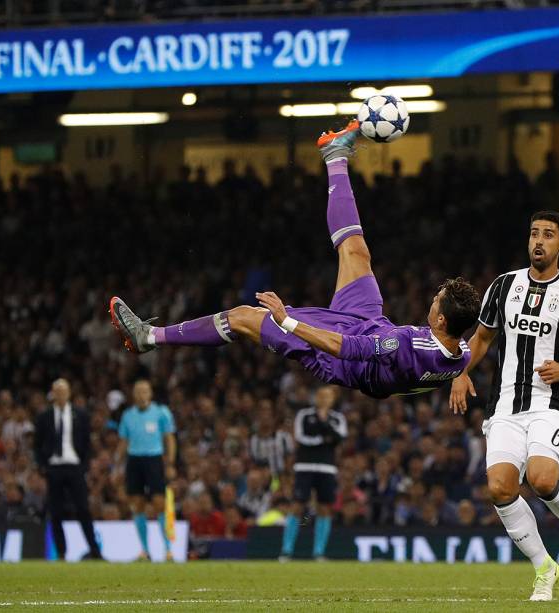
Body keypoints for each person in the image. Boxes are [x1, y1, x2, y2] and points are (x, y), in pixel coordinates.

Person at [109, 120, 481, 399]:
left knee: (242, 317)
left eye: (435, 302)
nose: (430, 302)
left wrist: (288, 322)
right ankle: (335, 155)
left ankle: (148, 337)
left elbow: (342, 348)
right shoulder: (459, 356)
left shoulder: (405, 344)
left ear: (442, 319)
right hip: (369, 323)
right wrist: (456, 377)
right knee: (356, 251)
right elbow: (419, 376)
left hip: (338, 356)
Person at [450, 210, 559, 601]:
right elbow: (483, 338)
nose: (539, 241)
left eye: (548, 235)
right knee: (500, 488)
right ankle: (544, 568)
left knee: (541, 479)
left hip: (550, 404)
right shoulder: (504, 285)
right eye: (534, 234)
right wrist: (460, 371)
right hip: (504, 405)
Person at [33, 378, 102, 561]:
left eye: (64, 391)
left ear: (69, 393)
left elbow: (87, 444)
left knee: (83, 509)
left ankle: (94, 550)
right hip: (54, 467)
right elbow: (37, 445)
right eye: (58, 391)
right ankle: (62, 552)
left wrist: (84, 466)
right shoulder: (44, 416)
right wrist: (42, 466)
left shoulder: (81, 415)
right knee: (56, 511)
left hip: (75, 467)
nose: (61, 394)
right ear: (53, 393)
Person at [280, 386, 347, 561]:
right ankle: (287, 550)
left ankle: (318, 552)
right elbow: (301, 437)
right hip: (304, 466)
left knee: (324, 508)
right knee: (297, 506)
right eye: (321, 396)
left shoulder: (338, 418)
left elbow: (340, 438)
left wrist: (324, 425)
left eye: (328, 397)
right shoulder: (304, 415)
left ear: (332, 399)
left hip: (327, 467)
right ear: (315, 397)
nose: (324, 399)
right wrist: (324, 438)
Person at [116, 380, 177, 562]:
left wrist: (171, 461)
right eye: (138, 391)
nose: (142, 395)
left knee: (159, 503)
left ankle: (168, 549)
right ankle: (145, 550)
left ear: (150, 394)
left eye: (145, 391)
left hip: (154, 459)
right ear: (134, 395)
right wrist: (116, 465)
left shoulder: (161, 412)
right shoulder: (128, 415)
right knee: (137, 504)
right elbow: (123, 442)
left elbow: (169, 438)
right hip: (134, 460)